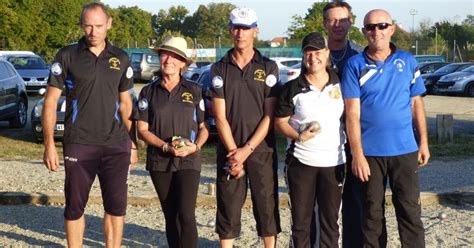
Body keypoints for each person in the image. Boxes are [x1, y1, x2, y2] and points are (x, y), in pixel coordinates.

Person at [42, 2, 137, 247]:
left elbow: (126, 104)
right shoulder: (67, 55)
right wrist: (49, 144)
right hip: (79, 144)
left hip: (116, 145)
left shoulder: (121, 58)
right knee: (74, 207)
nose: (93, 32)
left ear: (109, 24)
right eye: (88, 26)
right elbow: (51, 102)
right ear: (81, 26)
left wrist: (133, 143)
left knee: (116, 208)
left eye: (98, 26)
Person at [341, 9, 430, 247]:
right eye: (370, 27)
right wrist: (356, 154)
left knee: (410, 211)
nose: (376, 31)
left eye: (382, 26)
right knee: (371, 215)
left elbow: (416, 105)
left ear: (392, 28)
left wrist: (423, 142)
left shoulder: (408, 61)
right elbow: (352, 113)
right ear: (363, 32)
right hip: (370, 154)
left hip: (405, 150)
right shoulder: (355, 64)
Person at [210, 7, 281, 248]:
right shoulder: (219, 68)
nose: (241, 33)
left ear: (256, 30)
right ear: (230, 30)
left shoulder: (268, 67)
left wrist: (246, 150)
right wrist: (234, 152)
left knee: (266, 205)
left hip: (261, 149)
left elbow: (269, 115)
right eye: (236, 27)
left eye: (246, 28)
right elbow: (220, 117)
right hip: (229, 150)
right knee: (228, 205)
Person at [136, 36, 209, 248]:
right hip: (160, 160)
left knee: (186, 214)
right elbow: (142, 129)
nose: (169, 60)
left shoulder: (194, 90)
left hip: (189, 160)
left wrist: (196, 146)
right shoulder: (148, 91)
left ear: (183, 63)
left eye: (175, 56)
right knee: (170, 214)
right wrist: (165, 146)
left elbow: (204, 128)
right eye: (165, 54)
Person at [275, 32, 346, 248]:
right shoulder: (291, 88)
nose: (313, 57)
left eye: (317, 52)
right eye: (308, 52)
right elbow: (279, 123)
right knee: (301, 222)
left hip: (334, 162)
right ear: (303, 56)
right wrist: (298, 135)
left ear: (326, 53)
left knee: (330, 222)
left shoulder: (342, 82)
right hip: (301, 161)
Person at [322, 2, 364, 247]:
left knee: (356, 197)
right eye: (332, 20)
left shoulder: (359, 55)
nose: (338, 25)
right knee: (325, 200)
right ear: (325, 23)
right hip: (325, 139)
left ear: (350, 22)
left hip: (354, 136)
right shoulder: (316, 53)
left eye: (343, 19)